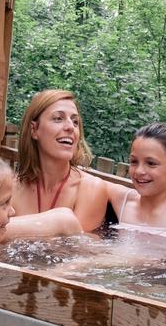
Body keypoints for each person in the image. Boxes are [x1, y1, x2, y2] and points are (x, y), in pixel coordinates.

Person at [9, 88, 123, 232]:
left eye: (75, 122)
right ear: (34, 129)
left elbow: (77, 246)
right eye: (58, 118)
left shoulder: (90, 188)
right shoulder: (11, 188)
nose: (70, 127)